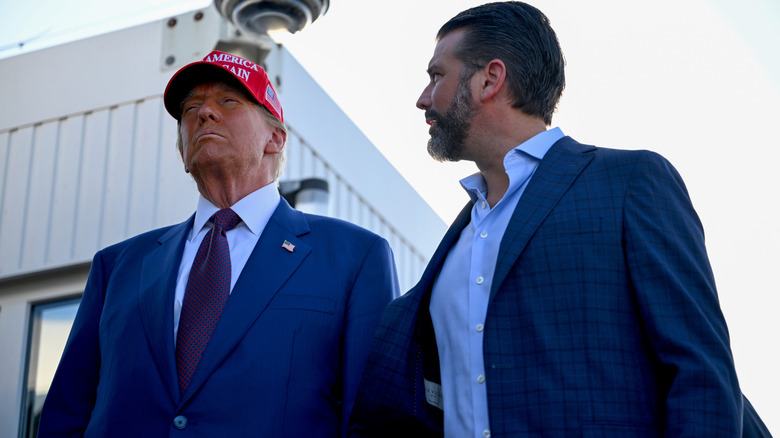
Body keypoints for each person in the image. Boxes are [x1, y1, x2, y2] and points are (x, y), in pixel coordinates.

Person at [348, 2, 762, 437]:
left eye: (437, 76)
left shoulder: (628, 184)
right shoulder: (455, 247)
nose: (423, 98)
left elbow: (700, 371)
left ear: (490, 78)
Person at [38, 50, 399, 437]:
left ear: (275, 138)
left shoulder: (355, 257)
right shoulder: (117, 267)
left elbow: (375, 419)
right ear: (182, 150)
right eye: (191, 108)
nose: (204, 113)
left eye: (228, 101)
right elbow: (66, 415)